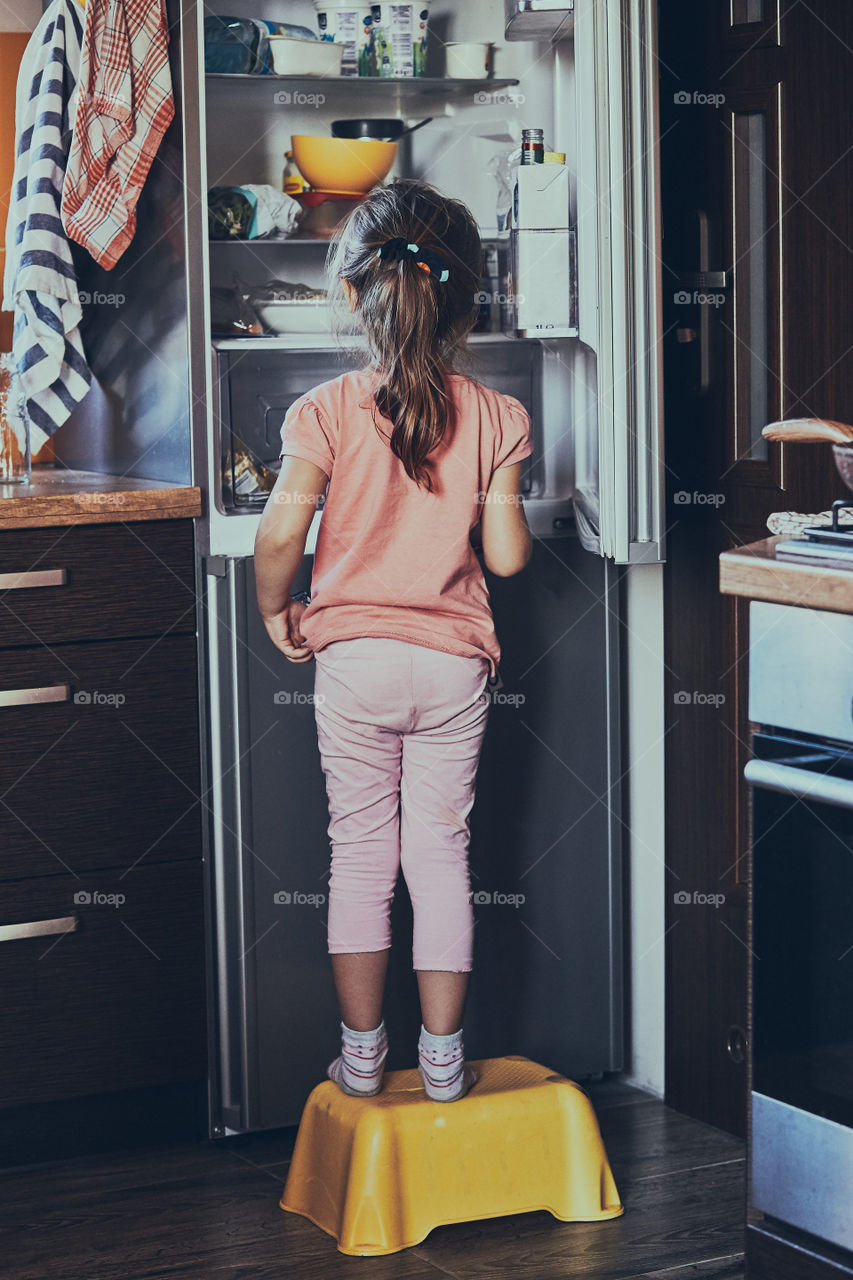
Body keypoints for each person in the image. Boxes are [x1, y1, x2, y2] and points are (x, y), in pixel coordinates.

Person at [254, 179, 532, 1103]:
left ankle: (364, 1061)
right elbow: (505, 557)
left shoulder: (323, 411)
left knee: (361, 857)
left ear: (349, 293)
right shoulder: (497, 417)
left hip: (355, 661)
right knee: (440, 858)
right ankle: (445, 1065)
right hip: (454, 665)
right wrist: (503, 489)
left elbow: (279, 536)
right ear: (467, 299)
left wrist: (274, 609)